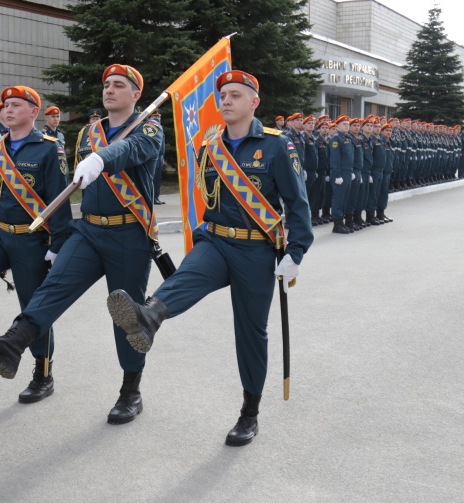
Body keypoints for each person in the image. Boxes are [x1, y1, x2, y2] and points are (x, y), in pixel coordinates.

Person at [106, 70, 312, 446]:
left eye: (236, 94)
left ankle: (249, 413)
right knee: (186, 276)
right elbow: (207, 196)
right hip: (216, 240)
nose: (227, 100)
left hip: (256, 249)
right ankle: (147, 316)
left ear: (254, 102)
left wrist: (295, 253)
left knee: (251, 332)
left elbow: (298, 205)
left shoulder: (278, 145)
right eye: (223, 95)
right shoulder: (210, 143)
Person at [0, 64, 163, 424]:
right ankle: (11, 345)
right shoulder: (90, 131)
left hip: (128, 234)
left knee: (127, 315)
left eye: (119, 85)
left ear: (136, 95)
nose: (110, 90)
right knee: (51, 289)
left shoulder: (149, 127)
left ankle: (130, 391)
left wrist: (103, 157)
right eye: (106, 84)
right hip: (88, 230)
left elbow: (134, 149)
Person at [0, 85, 72, 403]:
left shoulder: (49, 149)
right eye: (5, 106)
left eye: (16, 105)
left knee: (34, 308)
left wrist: (57, 244)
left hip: (31, 240)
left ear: (34, 112)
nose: (7, 110)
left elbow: (60, 199)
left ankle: (42, 374)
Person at [329, 116, 354, 234]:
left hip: (348, 171)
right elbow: (335, 159)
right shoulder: (336, 139)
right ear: (337, 126)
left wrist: (352, 171)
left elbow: (350, 157)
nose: (347, 126)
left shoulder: (347, 138)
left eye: (348, 124)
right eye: (344, 124)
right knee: (338, 198)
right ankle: (337, 224)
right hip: (340, 172)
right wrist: (338, 174)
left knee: (345, 198)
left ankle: (342, 222)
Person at [150, 109, 166, 205]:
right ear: (151, 117)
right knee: (152, 178)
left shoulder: (160, 128)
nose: (157, 118)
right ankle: (151, 198)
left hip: (160, 157)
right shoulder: (150, 128)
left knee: (157, 179)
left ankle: (156, 197)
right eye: (155, 116)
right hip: (153, 157)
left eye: (158, 117)